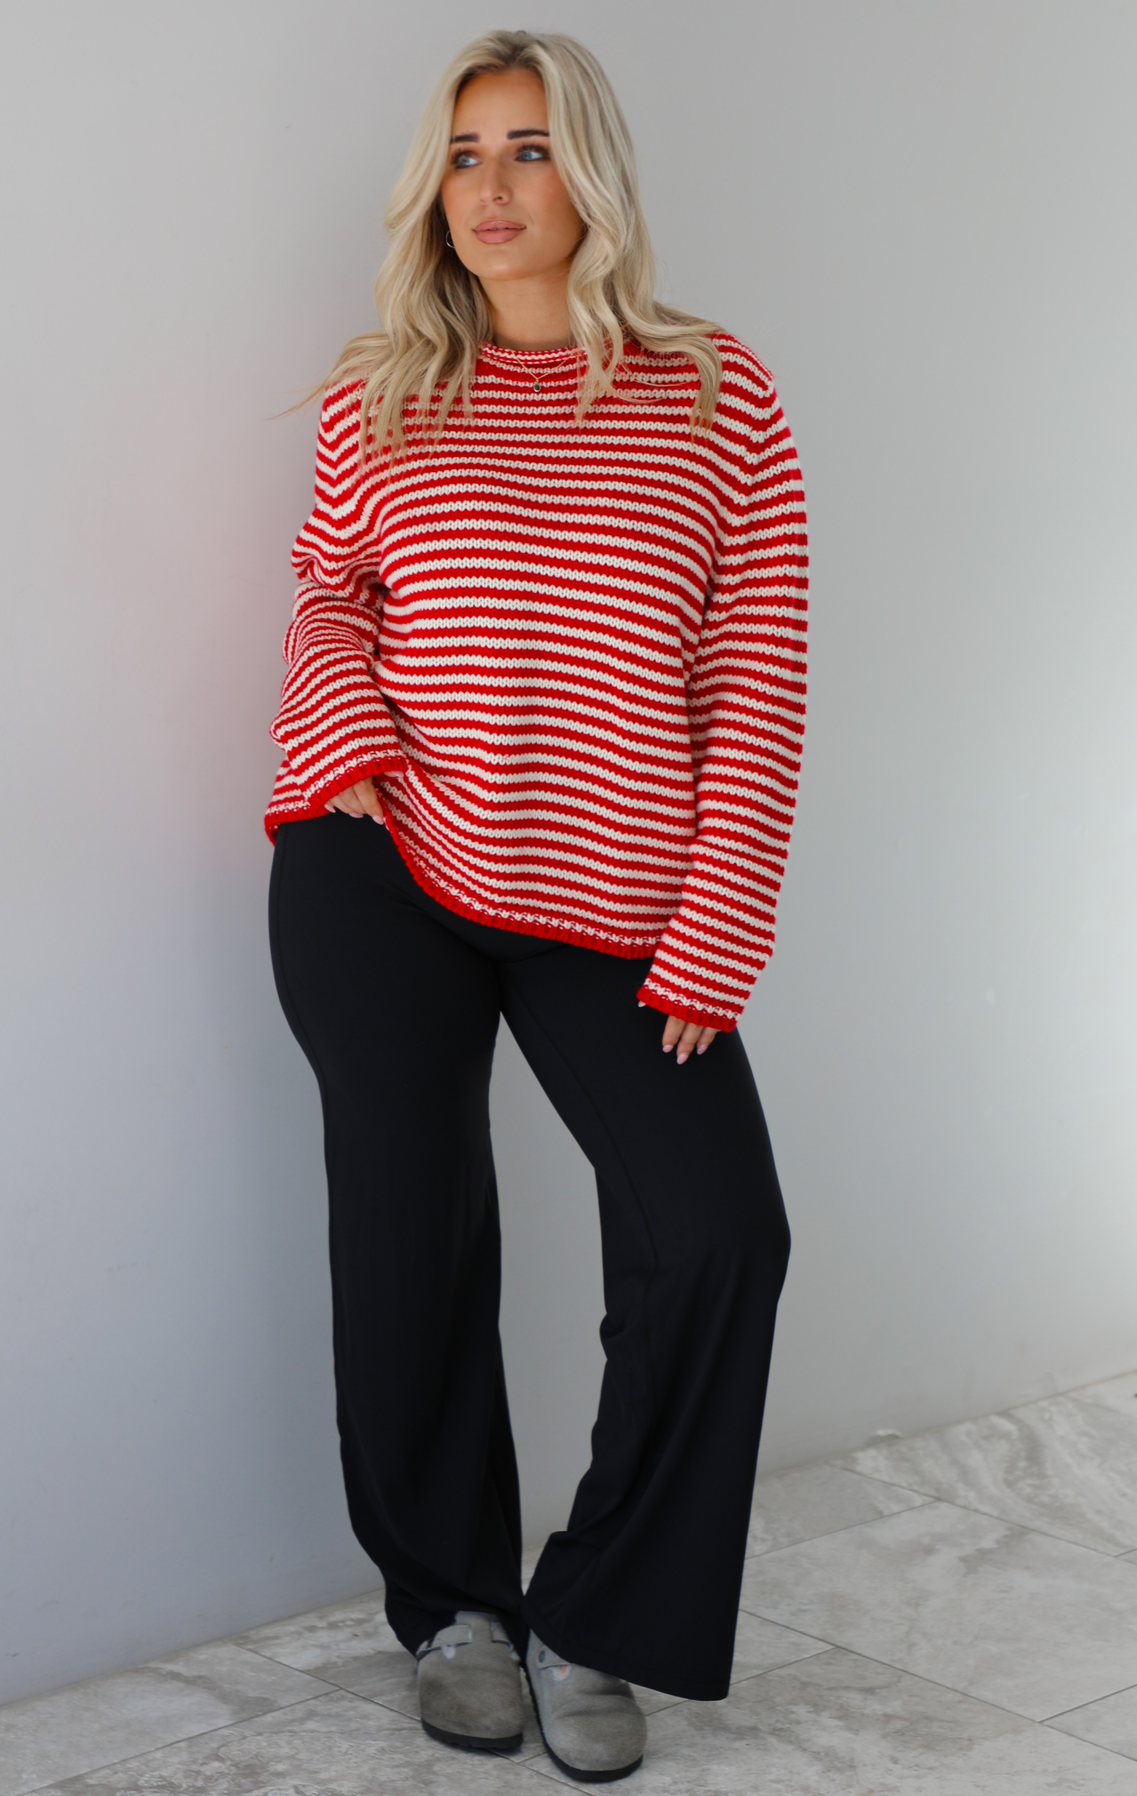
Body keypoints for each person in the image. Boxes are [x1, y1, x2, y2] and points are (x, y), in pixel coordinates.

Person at [266, 28, 808, 1784]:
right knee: (413, 1238)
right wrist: (342, 734)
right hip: (385, 866)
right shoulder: (384, 388)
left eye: (529, 150)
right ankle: (455, 1609)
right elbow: (331, 596)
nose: (491, 190)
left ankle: (600, 1614)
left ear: (593, 175)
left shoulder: (719, 389)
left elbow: (755, 671)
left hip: (619, 899)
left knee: (721, 1230)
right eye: (465, 155)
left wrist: (721, 916)